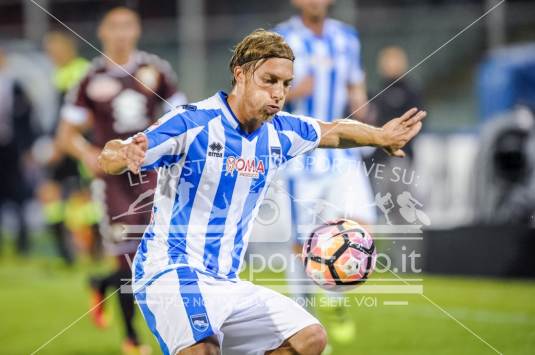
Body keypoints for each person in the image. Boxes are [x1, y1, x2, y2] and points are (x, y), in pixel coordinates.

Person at [98, 29, 425, 355]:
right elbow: (113, 153)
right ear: (239, 74)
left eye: (286, 84)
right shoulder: (193, 123)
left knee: (309, 338)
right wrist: (123, 154)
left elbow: (334, 132)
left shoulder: (280, 131)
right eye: (269, 80)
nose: (279, 93)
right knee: (203, 351)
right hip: (170, 272)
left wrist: (381, 136)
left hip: (225, 281)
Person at [56, 7, 186, 354]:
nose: (121, 33)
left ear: (137, 30)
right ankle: (132, 339)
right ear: (102, 31)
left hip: (152, 177)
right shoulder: (89, 78)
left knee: (157, 255)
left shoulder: (156, 71)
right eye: (114, 26)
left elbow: (182, 117)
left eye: (127, 26)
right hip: (112, 182)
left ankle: (101, 283)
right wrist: (89, 156)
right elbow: (67, 134)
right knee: (128, 258)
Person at [274, 0, 376, 342]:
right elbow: (264, 95)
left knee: (361, 226)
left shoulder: (347, 37)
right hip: (301, 155)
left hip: (342, 149)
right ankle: (303, 325)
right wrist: (290, 91)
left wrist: (365, 114)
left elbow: (354, 85)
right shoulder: (282, 38)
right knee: (302, 245)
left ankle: (335, 295)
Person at [39, 30, 94, 265]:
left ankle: (89, 250)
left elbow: (86, 113)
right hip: (62, 141)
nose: (52, 55)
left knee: (82, 198)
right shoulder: (60, 74)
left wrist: (64, 142)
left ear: (68, 49)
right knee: (51, 194)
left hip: (77, 143)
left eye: (55, 50)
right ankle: (67, 252)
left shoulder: (81, 71)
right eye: (49, 51)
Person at [0, 47, 36, 256]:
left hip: (12, 148)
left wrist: (27, 147)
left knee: (18, 194)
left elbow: (26, 118)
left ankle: (23, 241)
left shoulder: (15, 85)